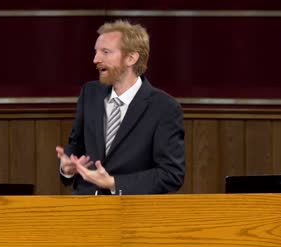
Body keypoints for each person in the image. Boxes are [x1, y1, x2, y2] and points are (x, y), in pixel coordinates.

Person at [55, 20, 184, 195]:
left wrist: (114, 183)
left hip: (133, 213)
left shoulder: (164, 107)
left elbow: (171, 175)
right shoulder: (89, 94)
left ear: (131, 58)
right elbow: (76, 146)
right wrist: (67, 168)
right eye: (96, 52)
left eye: (105, 52)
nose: (96, 59)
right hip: (85, 211)